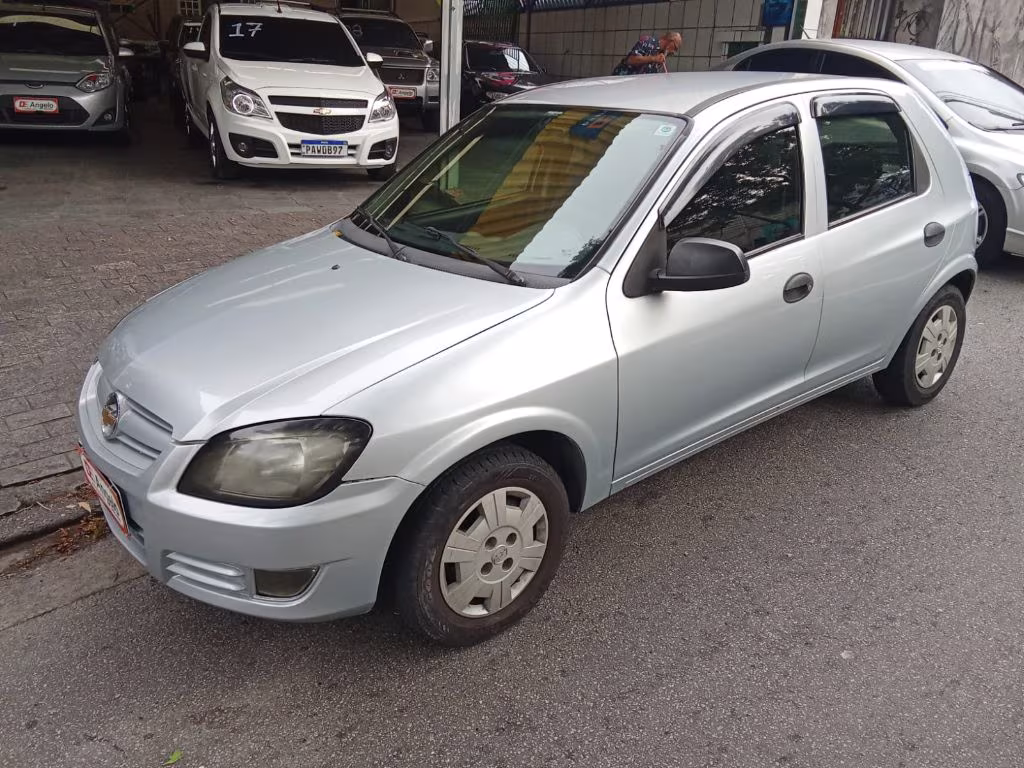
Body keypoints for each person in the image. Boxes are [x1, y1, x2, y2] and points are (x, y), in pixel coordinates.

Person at [612, 32, 682, 76]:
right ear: (670, 40)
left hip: (638, 87)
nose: (673, 51)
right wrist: (653, 58)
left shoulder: (662, 53)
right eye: (675, 47)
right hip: (623, 80)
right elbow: (631, 60)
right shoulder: (647, 41)